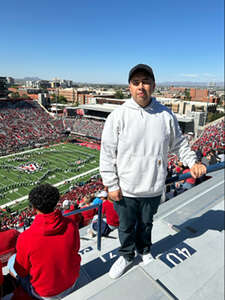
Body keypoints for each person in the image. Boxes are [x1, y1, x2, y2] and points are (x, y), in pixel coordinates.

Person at [100, 63, 207, 279]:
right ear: (129, 87)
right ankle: (127, 255)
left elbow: (180, 144)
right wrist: (111, 184)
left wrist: (192, 162)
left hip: (153, 186)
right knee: (126, 227)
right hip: (126, 188)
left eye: (146, 82)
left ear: (153, 85)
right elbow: (107, 153)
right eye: (136, 82)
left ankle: (145, 250)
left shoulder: (165, 115)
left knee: (146, 225)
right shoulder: (118, 116)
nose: (141, 86)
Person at [7, 184, 81, 299]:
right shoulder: (70, 224)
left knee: (12, 261)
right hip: (71, 282)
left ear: (34, 208)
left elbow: (21, 271)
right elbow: (76, 249)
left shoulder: (25, 237)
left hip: (44, 293)